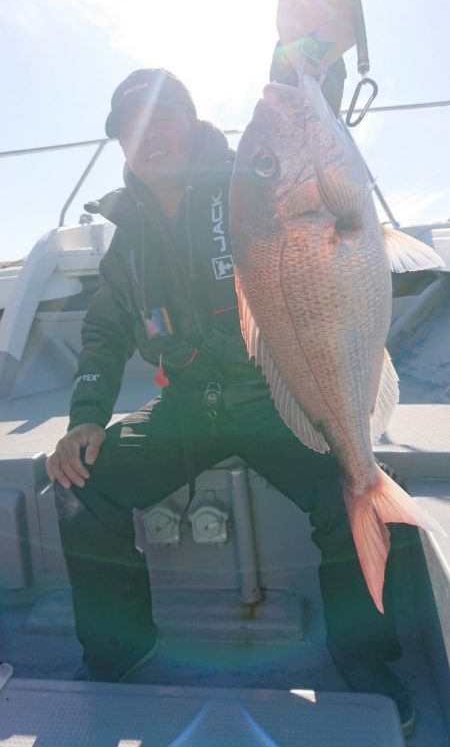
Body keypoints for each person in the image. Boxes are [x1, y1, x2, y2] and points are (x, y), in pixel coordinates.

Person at [46, 65, 415, 736]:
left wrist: (309, 46)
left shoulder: (249, 185)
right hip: (187, 407)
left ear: (194, 124)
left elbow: (304, 116)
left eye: (163, 117)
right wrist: (86, 418)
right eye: (131, 127)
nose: (148, 135)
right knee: (79, 485)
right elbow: (103, 333)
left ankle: (363, 656)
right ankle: (119, 654)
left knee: (352, 488)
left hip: (272, 400)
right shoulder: (126, 241)